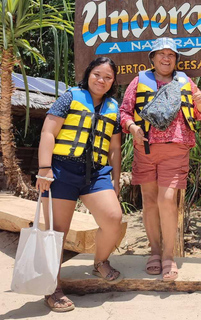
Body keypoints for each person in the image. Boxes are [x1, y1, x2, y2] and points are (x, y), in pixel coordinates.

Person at [36, 57, 124, 312]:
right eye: (98, 74)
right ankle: (52, 288)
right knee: (57, 231)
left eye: (108, 77)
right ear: (88, 74)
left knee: (113, 218)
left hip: (96, 173)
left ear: (113, 82)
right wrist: (44, 169)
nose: (102, 80)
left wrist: (116, 181)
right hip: (62, 169)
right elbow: (48, 132)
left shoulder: (112, 107)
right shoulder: (70, 97)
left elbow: (115, 148)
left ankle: (100, 262)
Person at [120, 37, 201, 280]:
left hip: (176, 149)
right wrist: (131, 128)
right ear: (152, 58)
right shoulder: (139, 80)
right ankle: (155, 252)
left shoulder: (186, 81)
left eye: (171, 54)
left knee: (167, 200)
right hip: (145, 149)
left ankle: (169, 256)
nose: (166, 58)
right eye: (161, 54)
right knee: (149, 201)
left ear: (176, 60)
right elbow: (124, 112)